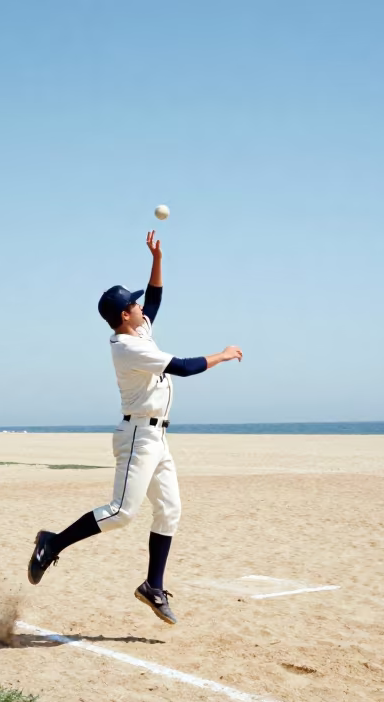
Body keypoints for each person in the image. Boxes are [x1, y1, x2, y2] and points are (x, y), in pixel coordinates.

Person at [27, 230, 243, 625]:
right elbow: (183, 367)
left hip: (158, 437)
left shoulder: (138, 330)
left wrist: (156, 259)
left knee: (170, 510)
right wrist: (224, 355)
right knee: (122, 512)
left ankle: (153, 587)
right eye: (134, 304)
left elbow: (155, 297)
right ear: (124, 315)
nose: (141, 306)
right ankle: (52, 542)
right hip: (139, 437)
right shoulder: (128, 347)